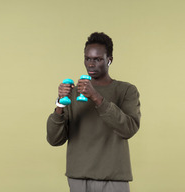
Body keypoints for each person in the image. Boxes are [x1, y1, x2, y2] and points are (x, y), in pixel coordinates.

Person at [46, 32, 141, 192]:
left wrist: (96, 97)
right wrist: (60, 104)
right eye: (88, 58)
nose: (91, 64)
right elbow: (54, 139)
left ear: (109, 60)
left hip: (113, 178)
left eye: (97, 59)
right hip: (78, 178)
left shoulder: (126, 90)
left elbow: (129, 129)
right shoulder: (73, 93)